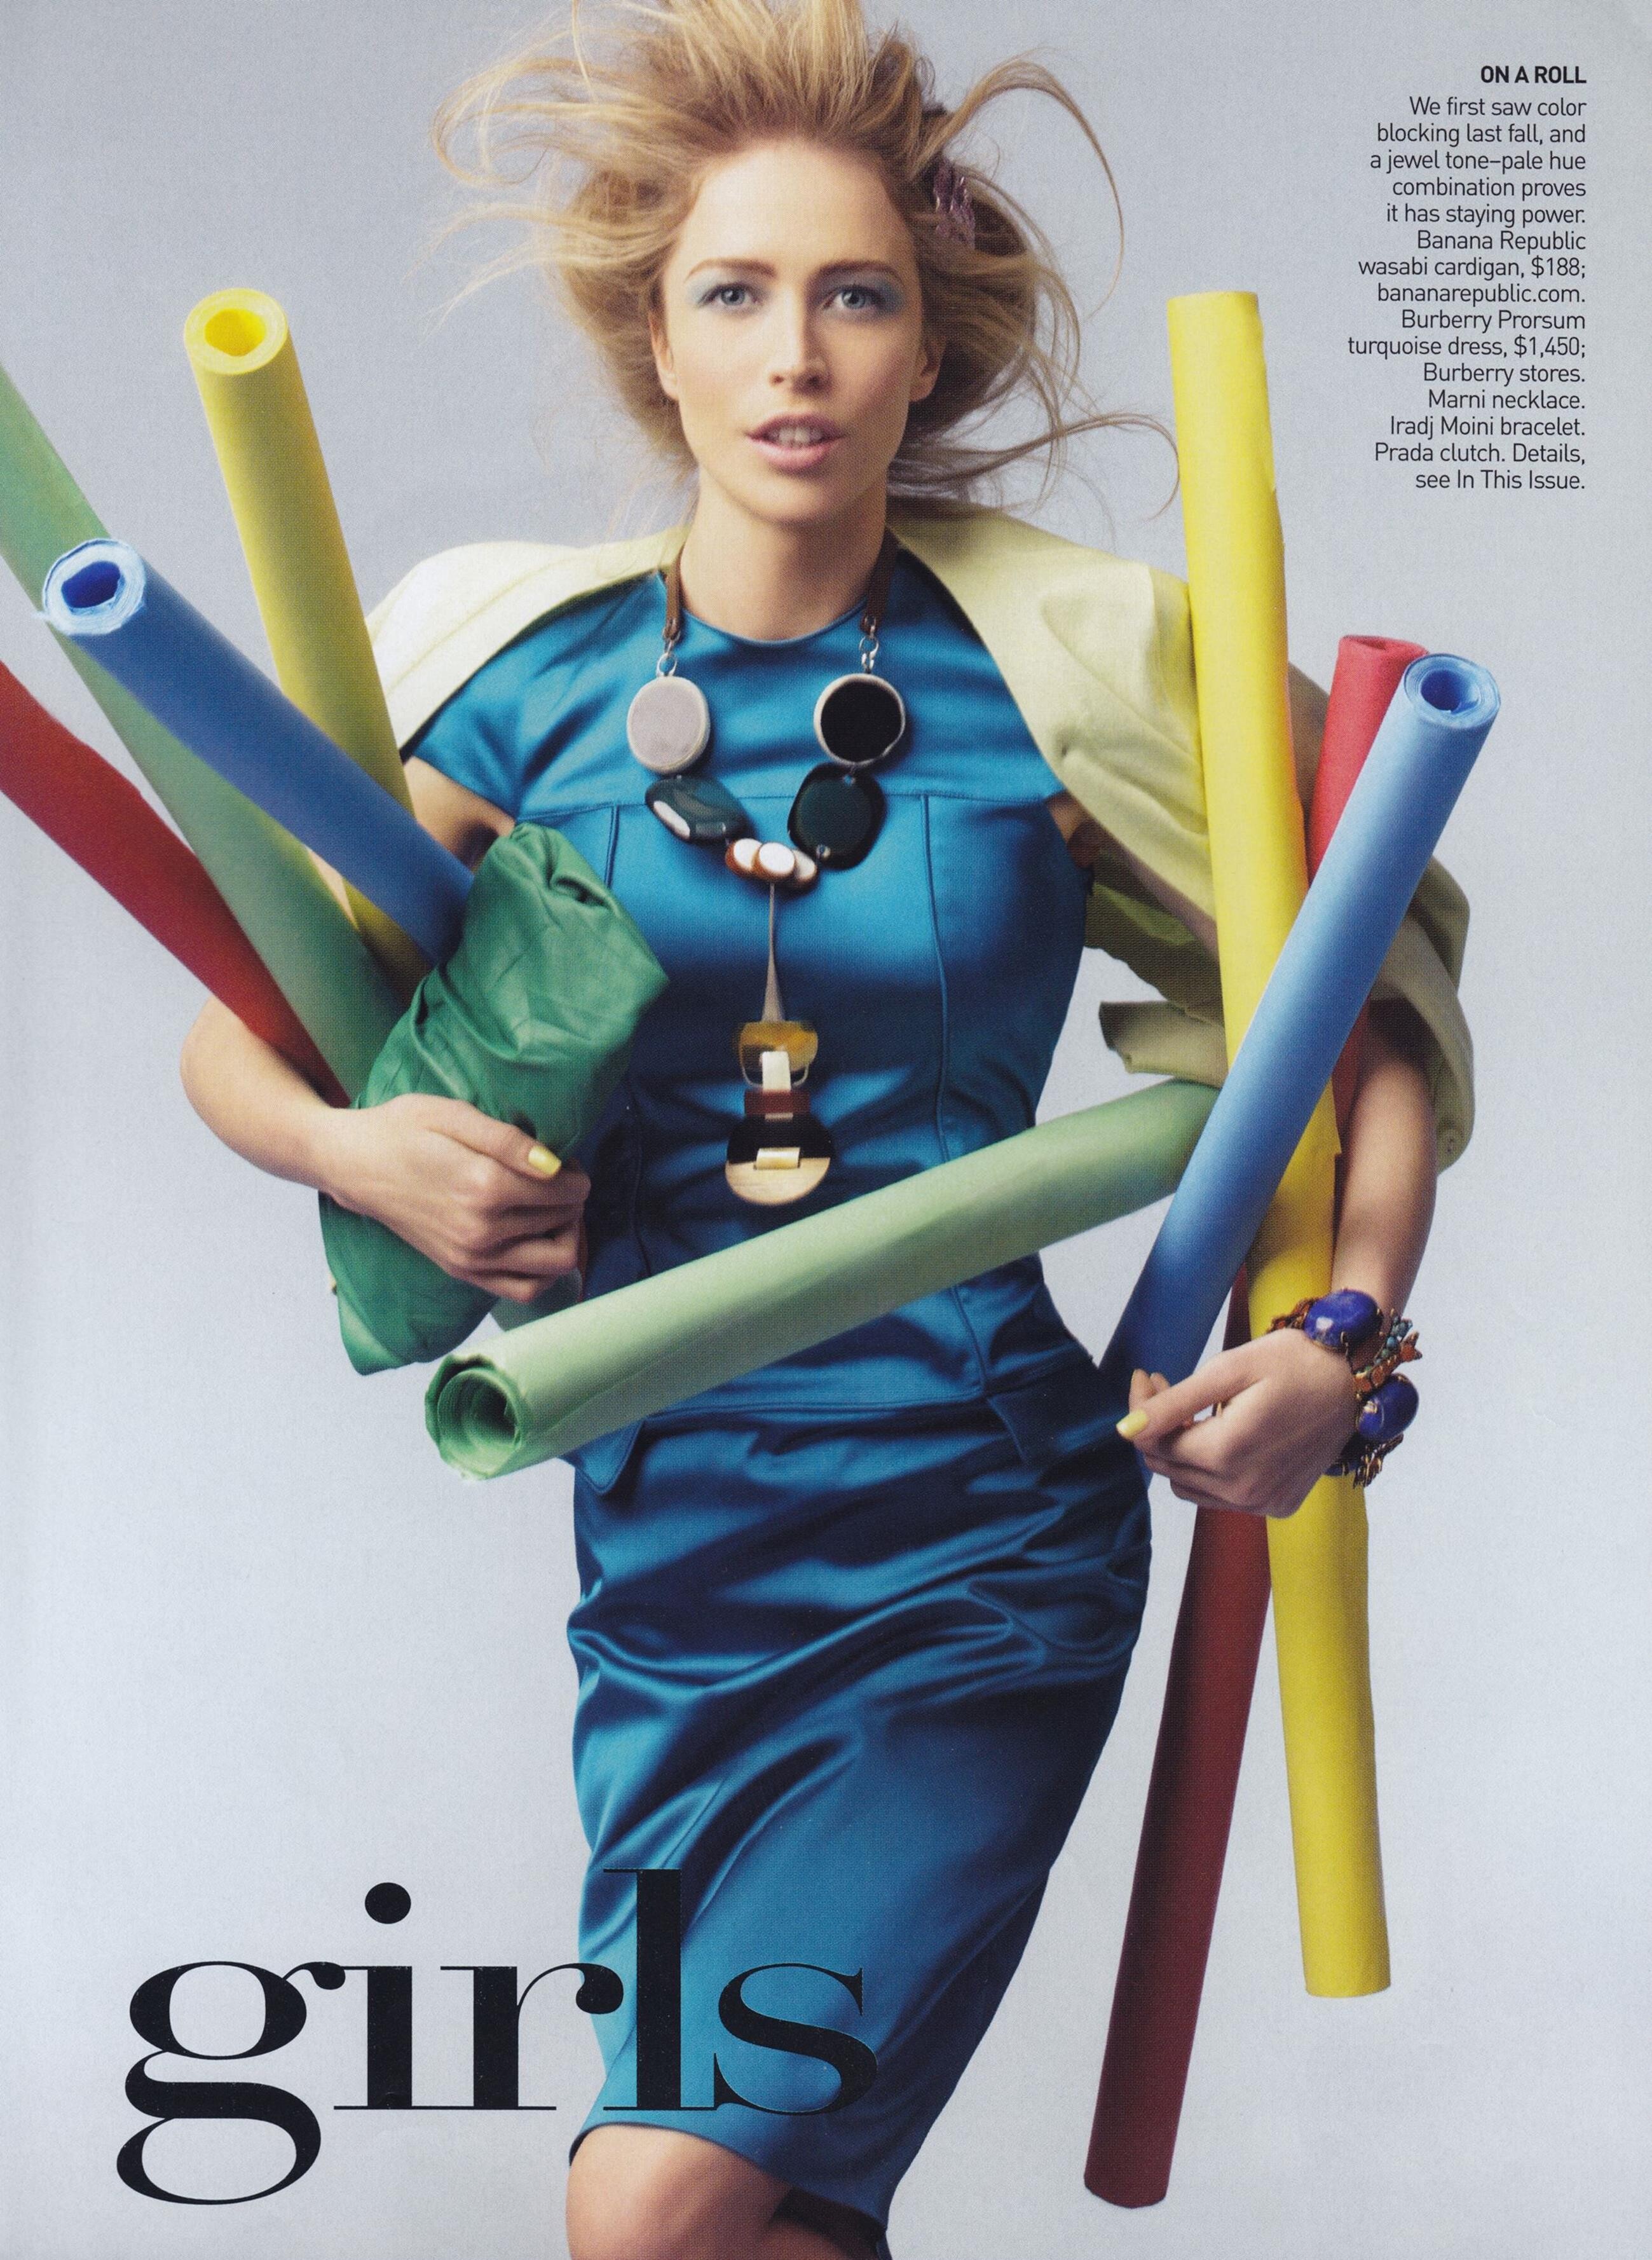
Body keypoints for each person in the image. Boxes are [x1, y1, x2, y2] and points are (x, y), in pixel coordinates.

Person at [180, 3, 1467, 2253]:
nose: (797, 355)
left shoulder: (1055, 680)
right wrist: (363, 1152)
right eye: (736, 294)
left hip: (977, 1545)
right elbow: (242, 1035)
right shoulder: (522, 679)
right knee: (771, 2228)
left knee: (648, 2209)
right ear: (657, 348)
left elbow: (1364, 1037)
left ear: (924, 347)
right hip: (666, 1569)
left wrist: (1342, 1342)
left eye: (855, 294)